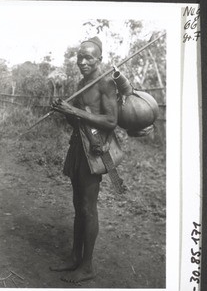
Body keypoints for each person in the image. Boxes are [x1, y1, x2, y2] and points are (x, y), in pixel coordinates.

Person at [50, 36, 119, 283]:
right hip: (78, 148)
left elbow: (111, 121)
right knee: (78, 205)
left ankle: (87, 266)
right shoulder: (82, 83)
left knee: (89, 208)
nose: (82, 61)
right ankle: (74, 257)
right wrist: (64, 109)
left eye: (88, 57)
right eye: (80, 57)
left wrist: (74, 110)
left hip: (95, 150)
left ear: (99, 59)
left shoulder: (106, 82)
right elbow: (78, 120)